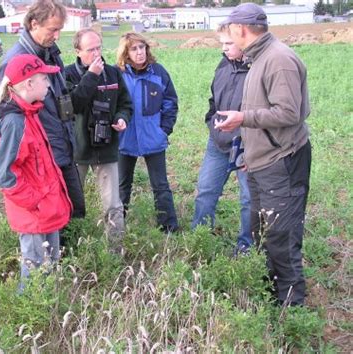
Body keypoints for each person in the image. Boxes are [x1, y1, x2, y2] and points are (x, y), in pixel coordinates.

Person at [215, 3, 311, 306]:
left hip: (282, 161)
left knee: (282, 236)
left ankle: (292, 308)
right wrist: (248, 152)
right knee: (263, 233)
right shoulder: (258, 58)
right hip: (260, 161)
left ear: (240, 30)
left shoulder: (278, 60)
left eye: (231, 32)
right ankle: (270, 297)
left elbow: (287, 112)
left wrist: (243, 118)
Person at [0, 0, 85, 236]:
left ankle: (66, 265)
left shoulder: (49, 52)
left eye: (59, 30)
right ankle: (55, 267)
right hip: (42, 156)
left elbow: (61, 94)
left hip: (61, 143)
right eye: (52, 29)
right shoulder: (15, 62)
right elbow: (6, 112)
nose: (57, 35)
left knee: (72, 209)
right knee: (51, 221)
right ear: (34, 24)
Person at [0, 54, 72, 289]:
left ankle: (48, 316)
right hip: (34, 212)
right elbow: (4, 174)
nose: (48, 84)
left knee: (49, 266)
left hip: (45, 207)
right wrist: (35, 202)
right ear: (28, 84)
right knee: (35, 270)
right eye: (44, 79)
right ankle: (28, 320)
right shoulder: (15, 121)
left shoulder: (29, 113)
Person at [65, 29, 133, 251]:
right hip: (78, 150)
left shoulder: (113, 74)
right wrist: (91, 76)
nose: (96, 53)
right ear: (78, 51)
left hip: (106, 146)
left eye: (99, 47)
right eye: (90, 49)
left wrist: (122, 118)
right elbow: (73, 106)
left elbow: (125, 103)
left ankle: (115, 252)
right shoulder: (67, 76)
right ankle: (69, 250)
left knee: (113, 204)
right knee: (70, 202)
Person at [191, 29, 252, 256]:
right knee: (206, 191)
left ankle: (246, 248)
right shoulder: (224, 65)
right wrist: (212, 122)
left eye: (229, 43)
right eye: (222, 43)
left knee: (249, 199)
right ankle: (199, 241)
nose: (224, 48)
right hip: (217, 143)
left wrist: (253, 148)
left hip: (247, 146)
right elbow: (213, 101)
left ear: (244, 42)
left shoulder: (258, 69)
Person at [116, 32, 179, 234]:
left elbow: (170, 103)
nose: (140, 52)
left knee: (160, 185)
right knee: (122, 186)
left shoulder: (158, 72)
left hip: (153, 137)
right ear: (126, 53)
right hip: (124, 139)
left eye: (142, 47)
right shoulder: (118, 74)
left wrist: (164, 131)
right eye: (134, 49)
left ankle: (168, 228)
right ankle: (117, 227)